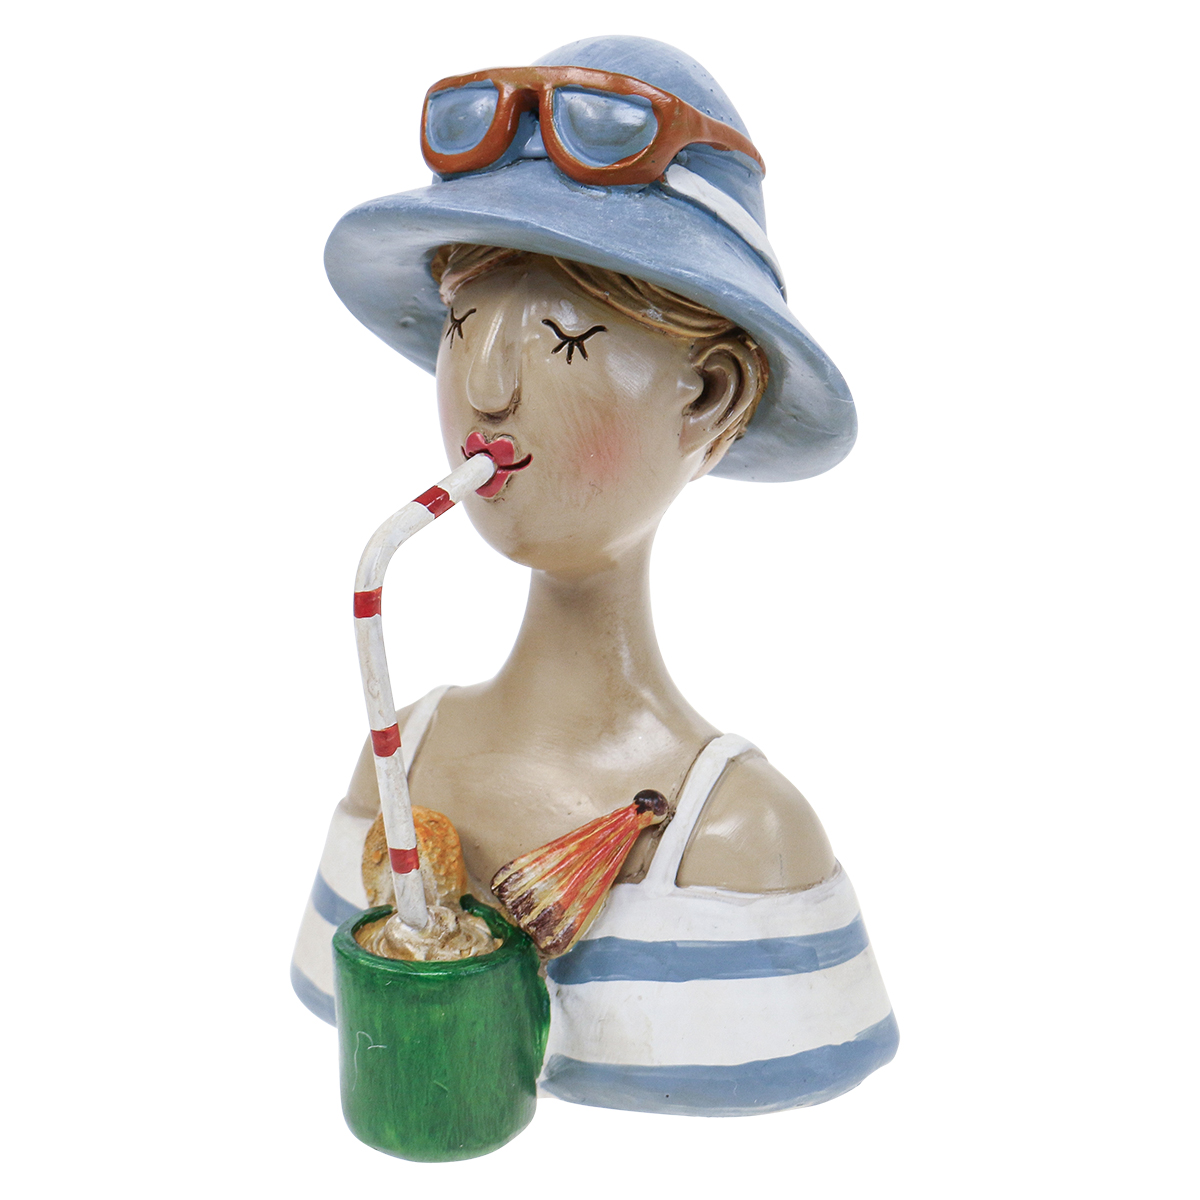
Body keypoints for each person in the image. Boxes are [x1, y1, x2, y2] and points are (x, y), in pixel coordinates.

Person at [292, 35, 897, 1116]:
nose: (484, 390)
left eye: (565, 340)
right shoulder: (401, 763)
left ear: (710, 396)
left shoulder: (743, 842)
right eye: (462, 325)